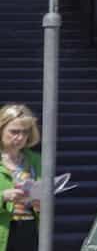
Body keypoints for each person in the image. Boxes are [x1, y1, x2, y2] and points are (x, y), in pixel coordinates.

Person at [1, 104, 43, 251]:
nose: (20, 137)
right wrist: (3, 197)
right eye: (14, 132)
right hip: (3, 229)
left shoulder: (36, 160)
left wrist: (41, 203)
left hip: (29, 229)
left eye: (25, 132)